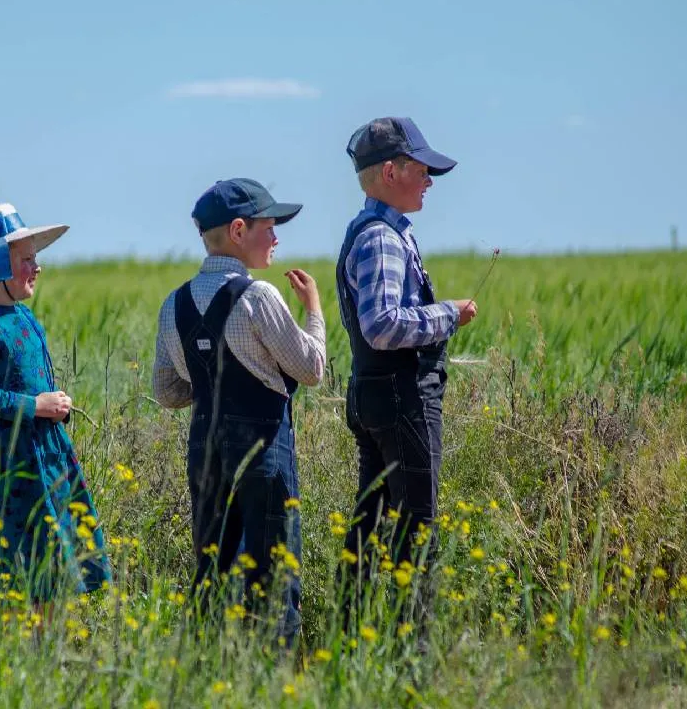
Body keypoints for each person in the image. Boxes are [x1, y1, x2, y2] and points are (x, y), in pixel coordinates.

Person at [152, 178, 326, 648]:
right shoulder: (260, 296)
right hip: (264, 447)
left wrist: (212, 386)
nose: (276, 238)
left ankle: (209, 670)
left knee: (212, 567)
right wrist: (313, 309)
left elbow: (167, 391)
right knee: (275, 572)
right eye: (269, 227)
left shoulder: (174, 304)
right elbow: (312, 369)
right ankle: (276, 677)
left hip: (204, 446)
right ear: (237, 230)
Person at [333, 117, 478, 645]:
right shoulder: (382, 240)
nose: (429, 181)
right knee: (416, 525)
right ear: (390, 172)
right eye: (421, 170)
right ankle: (409, 653)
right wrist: (448, 314)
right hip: (401, 397)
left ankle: (350, 639)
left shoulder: (371, 230)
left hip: (376, 394)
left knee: (370, 521)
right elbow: (381, 324)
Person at [0, 202, 111, 613]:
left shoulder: (28, 319)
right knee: (4, 572)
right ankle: (7, 658)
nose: (38, 267)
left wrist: (56, 406)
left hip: (44, 457)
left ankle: (43, 661)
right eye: (26, 259)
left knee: (53, 567)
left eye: (36, 258)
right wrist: (34, 405)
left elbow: (36, 384)